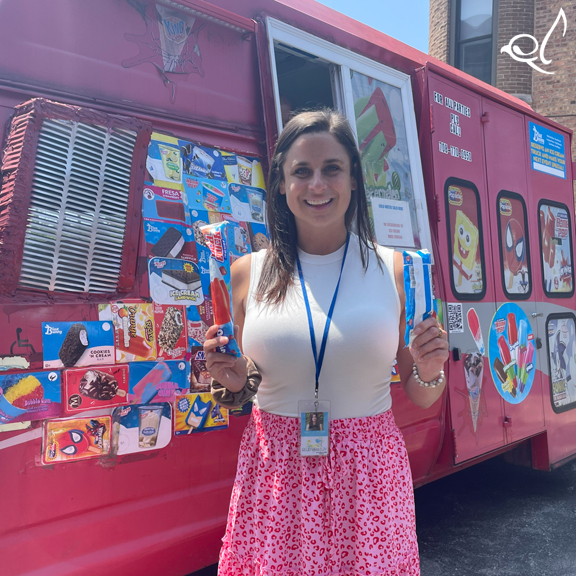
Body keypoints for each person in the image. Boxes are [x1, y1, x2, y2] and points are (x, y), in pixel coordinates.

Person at [204, 109, 449, 576]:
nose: (317, 184)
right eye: (302, 171)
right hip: (275, 476)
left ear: (354, 179)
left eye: (332, 168)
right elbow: (241, 388)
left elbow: (421, 392)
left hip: (369, 479)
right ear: (280, 183)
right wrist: (232, 383)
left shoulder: (397, 272)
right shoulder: (243, 275)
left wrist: (431, 369)